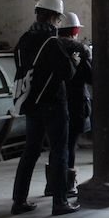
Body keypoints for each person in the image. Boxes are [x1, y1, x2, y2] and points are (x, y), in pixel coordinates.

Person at [11, 0, 81, 216]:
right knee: (59, 151)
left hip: (31, 103)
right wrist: (74, 61)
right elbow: (67, 73)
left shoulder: (24, 39)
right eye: (58, 18)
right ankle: (60, 202)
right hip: (53, 104)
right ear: (53, 17)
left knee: (30, 152)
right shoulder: (52, 43)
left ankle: (19, 200)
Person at [43, 11, 92, 198]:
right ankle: (66, 186)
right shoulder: (80, 52)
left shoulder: (51, 48)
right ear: (75, 31)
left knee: (56, 146)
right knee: (69, 146)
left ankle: (51, 185)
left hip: (53, 104)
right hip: (75, 105)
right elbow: (91, 77)